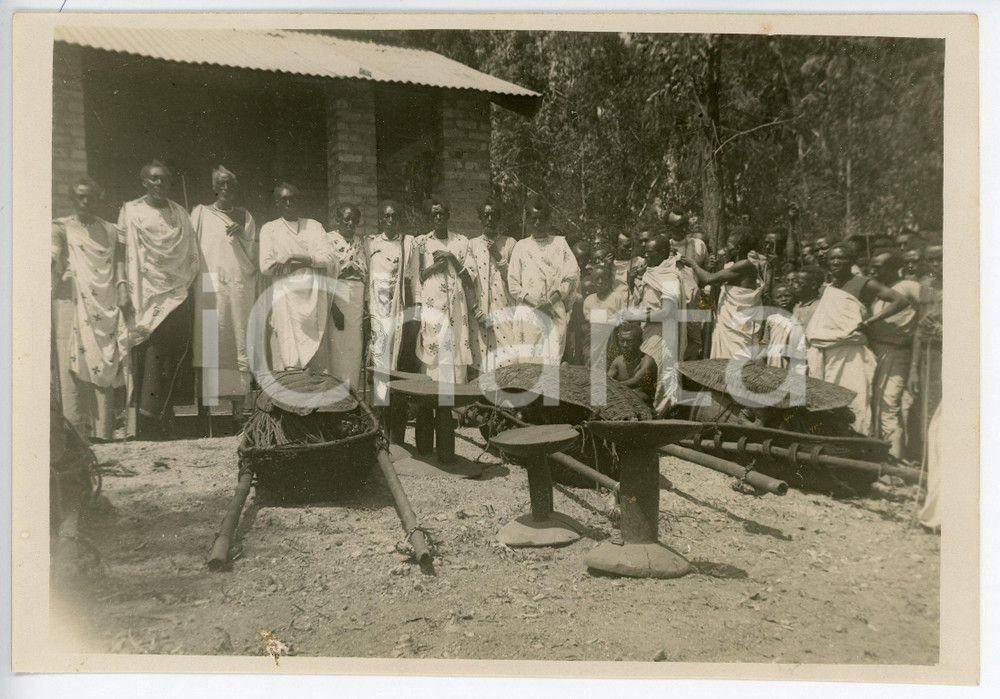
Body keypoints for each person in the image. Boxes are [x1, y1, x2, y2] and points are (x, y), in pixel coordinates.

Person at [117, 161, 200, 440]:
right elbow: (121, 251)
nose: (158, 184)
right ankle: (146, 423)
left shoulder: (180, 213)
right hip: (145, 293)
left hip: (176, 293)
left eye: (163, 179)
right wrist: (121, 286)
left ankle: (166, 416)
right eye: (153, 179)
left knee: (174, 354)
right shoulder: (131, 211)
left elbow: (191, 254)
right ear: (144, 182)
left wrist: (185, 286)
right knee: (150, 355)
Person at [804, 244, 909, 434]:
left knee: (853, 400)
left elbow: (900, 301)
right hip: (823, 351)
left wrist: (870, 321)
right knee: (825, 403)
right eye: (832, 258)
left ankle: (855, 443)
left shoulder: (863, 282)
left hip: (849, 352)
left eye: (841, 258)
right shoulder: (828, 287)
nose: (836, 262)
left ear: (851, 261)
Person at [51, 176, 127, 441]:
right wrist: (57, 269)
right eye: (80, 197)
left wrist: (121, 286)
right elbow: (53, 254)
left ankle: (102, 431)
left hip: (102, 304)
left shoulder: (110, 230)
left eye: (90, 196)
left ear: (97, 198)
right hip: (71, 303)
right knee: (72, 361)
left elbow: (118, 259)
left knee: (102, 358)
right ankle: (75, 431)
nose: (85, 201)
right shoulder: (61, 227)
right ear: (73, 200)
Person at [191, 165, 257, 421]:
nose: (226, 188)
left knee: (237, 342)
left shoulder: (244, 216)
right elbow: (190, 249)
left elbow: (254, 258)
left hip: (237, 289)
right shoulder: (200, 213)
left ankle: (238, 409)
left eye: (230, 183)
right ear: (214, 187)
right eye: (221, 183)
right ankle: (204, 410)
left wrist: (243, 236)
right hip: (209, 287)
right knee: (208, 342)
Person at [258, 183, 339, 372]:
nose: (289, 203)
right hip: (285, 299)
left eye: (292, 199)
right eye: (284, 200)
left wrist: (301, 259)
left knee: (315, 359)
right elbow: (266, 266)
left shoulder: (314, 227)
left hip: (313, 300)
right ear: (277, 203)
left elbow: (328, 258)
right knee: (287, 355)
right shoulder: (269, 229)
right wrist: (306, 262)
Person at [508, 196, 580, 366]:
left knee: (551, 366)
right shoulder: (521, 247)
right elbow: (513, 283)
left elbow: (571, 276)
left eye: (542, 218)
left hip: (553, 312)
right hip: (528, 313)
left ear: (548, 219)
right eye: (534, 218)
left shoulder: (560, 244)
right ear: (528, 220)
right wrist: (536, 304)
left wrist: (550, 302)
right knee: (527, 366)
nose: (538, 222)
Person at [411, 197, 477, 383]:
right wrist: (433, 268)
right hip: (433, 309)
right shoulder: (421, 243)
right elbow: (418, 279)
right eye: (434, 214)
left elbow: (469, 279)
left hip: (456, 310)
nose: (438, 217)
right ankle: (432, 406)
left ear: (448, 216)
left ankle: (455, 411)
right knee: (434, 355)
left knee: (455, 357)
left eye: (441, 213)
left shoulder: (462, 242)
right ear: (429, 218)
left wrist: (452, 258)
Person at [680, 233, 771, 361]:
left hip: (738, 326)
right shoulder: (735, 265)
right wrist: (717, 267)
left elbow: (708, 278)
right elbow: (716, 285)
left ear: (738, 248)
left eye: (728, 246)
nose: (725, 250)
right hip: (730, 322)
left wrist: (693, 264)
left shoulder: (745, 265)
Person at [867, 252, 921, 460]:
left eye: (878, 266)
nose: (873, 270)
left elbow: (926, 310)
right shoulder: (880, 290)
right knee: (877, 404)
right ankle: (883, 456)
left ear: (893, 267)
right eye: (872, 266)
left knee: (889, 404)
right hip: (877, 350)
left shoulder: (908, 287)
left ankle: (894, 459)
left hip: (897, 352)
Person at [630, 234, 686, 415]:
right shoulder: (650, 272)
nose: (647, 257)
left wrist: (638, 315)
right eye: (645, 253)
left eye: (651, 253)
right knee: (646, 375)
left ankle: (661, 414)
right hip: (648, 332)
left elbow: (668, 312)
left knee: (662, 374)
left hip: (663, 334)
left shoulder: (669, 277)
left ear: (663, 252)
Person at [368, 200, 415, 390]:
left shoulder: (408, 242)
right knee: (379, 354)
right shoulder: (371, 243)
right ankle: (381, 408)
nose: (391, 220)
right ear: (381, 219)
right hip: (378, 308)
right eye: (386, 216)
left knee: (398, 356)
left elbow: (414, 277)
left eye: (394, 216)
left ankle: (396, 411)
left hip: (400, 305)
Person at [466, 199, 516, 373]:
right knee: (479, 362)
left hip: (504, 309)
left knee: (506, 360)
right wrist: (476, 310)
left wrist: (497, 254)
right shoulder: (471, 244)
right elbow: (467, 280)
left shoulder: (510, 243)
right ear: (480, 218)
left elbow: (514, 279)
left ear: (499, 218)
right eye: (485, 215)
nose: (489, 219)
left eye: (493, 215)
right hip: (479, 312)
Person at [325, 204, 368, 390]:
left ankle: (352, 397)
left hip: (356, 300)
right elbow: (325, 276)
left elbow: (365, 272)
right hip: (337, 296)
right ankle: (335, 398)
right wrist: (334, 308)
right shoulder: (328, 240)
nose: (350, 224)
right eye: (346, 219)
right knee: (336, 349)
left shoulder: (360, 242)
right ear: (337, 221)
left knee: (354, 349)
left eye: (354, 220)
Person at [908, 244, 943, 459]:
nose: (936, 264)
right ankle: (931, 465)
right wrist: (913, 368)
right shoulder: (925, 286)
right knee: (927, 409)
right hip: (929, 357)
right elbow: (918, 331)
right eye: (932, 260)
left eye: (941, 259)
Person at [666, 211, 709, 361]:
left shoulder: (698, 245)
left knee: (693, 343)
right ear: (668, 226)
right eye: (678, 226)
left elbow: (706, 273)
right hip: (671, 304)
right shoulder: (663, 245)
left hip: (693, 304)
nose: (684, 229)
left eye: (686, 225)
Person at [583, 263, 629, 368]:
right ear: (593, 281)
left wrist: (610, 322)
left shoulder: (616, 297)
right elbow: (588, 319)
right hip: (593, 339)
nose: (600, 282)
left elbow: (623, 318)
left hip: (611, 339)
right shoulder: (589, 300)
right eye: (597, 279)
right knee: (590, 363)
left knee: (608, 364)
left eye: (603, 279)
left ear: (610, 280)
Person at [608, 322, 658, 406]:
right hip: (620, 401)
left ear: (640, 341)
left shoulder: (647, 361)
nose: (625, 345)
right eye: (622, 341)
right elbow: (608, 379)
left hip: (642, 406)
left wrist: (612, 385)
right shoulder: (618, 361)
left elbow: (636, 381)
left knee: (638, 394)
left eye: (629, 341)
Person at [761, 282, 805, 372]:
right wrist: (760, 358)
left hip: (792, 361)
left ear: (795, 298)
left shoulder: (799, 318)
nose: (783, 299)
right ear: (773, 300)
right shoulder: (771, 319)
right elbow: (766, 342)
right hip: (773, 360)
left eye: (787, 296)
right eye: (779, 297)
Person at [791, 265, 825, 335]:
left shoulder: (820, 308)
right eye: (795, 282)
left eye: (799, 283)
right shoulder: (797, 306)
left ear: (813, 285)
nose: (795, 286)